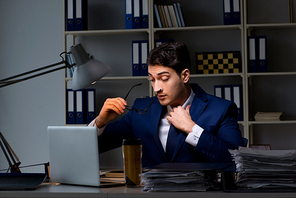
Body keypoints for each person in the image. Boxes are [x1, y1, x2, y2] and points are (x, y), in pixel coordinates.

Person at [89, 41, 243, 168]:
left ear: (185, 76)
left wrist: (193, 129)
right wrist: (100, 122)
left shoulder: (221, 109)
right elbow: (91, 149)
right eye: (152, 79)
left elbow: (237, 161)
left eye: (164, 78)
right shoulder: (140, 109)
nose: (156, 88)